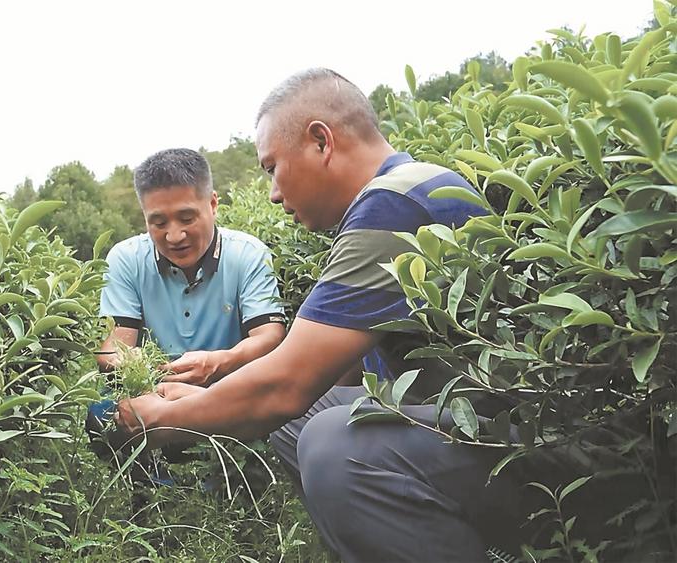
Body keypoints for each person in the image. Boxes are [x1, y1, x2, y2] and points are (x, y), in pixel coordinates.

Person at [114, 69, 521, 561]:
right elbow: (327, 372)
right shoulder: (405, 188)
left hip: (514, 445)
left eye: (272, 168)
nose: (273, 194)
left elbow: (287, 382)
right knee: (302, 419)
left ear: (321, 142)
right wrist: (209, 395)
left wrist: (172, 418)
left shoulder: (392, 207)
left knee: (333, 446)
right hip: (469, 424)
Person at [97, 147, 286, 386]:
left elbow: (270, 337)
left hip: (230, 396)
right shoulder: (126, 259)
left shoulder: (248, 254)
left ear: (213, 204)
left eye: (187, 219)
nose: (174, 236)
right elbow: (113, 348)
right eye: (158, 223)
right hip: (152, 396)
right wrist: (141, 366)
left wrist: (220, 362)